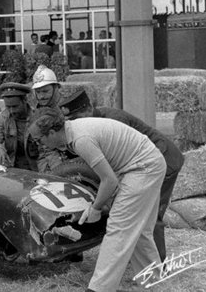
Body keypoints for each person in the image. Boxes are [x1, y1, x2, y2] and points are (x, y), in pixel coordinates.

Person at [28, 107, 166, 292]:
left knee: (119, 228)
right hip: (145, 163)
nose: (40, 144)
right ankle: (154, 283)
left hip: (143, 167)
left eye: (40, 139)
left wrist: (96, 208)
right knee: (139, 232)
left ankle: (99, 289)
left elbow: (109, 180)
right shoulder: (73, 131)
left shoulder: (80, 139)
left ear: (52, 132)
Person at [59, 89, 184, 262]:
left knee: (150, 216)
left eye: (77, 117)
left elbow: (120, 163)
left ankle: (158, 265)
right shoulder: (88, 125)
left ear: (88, 109)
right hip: (138, 166)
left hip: (162, 159)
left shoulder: (112, 120)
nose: (74, 124)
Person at [0, 82, 36, 170]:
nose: (11, 110)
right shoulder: (2, 117)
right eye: (8, 107)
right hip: (12, 167)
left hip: (36, 168)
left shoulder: (37, 117)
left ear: (25, 100)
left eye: (15, 106)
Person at [27, 65, 63, 172]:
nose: (41, 96)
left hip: (62, 164)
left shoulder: (64, 109)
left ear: (55, 88)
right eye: (38, 92)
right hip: (41, 164)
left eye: (45, 91)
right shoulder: (35, 109)